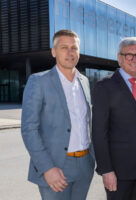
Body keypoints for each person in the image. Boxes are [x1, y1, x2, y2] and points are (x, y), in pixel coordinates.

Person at [21, 30, 94, 200]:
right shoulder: (38, 81)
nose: (70, 53)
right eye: (64, 48)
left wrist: (92, 160)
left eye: (74, 48)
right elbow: (29, 129)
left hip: (84, 165)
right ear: (54, 52)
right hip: (55, 167)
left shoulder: (84, 82)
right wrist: (47, 168)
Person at [92, 37, 136, 200]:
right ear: (119, 58)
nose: (135, 59)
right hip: (117, 171)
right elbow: (99, 133)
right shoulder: (104, 86)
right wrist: (106, 170)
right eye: (129, 55)